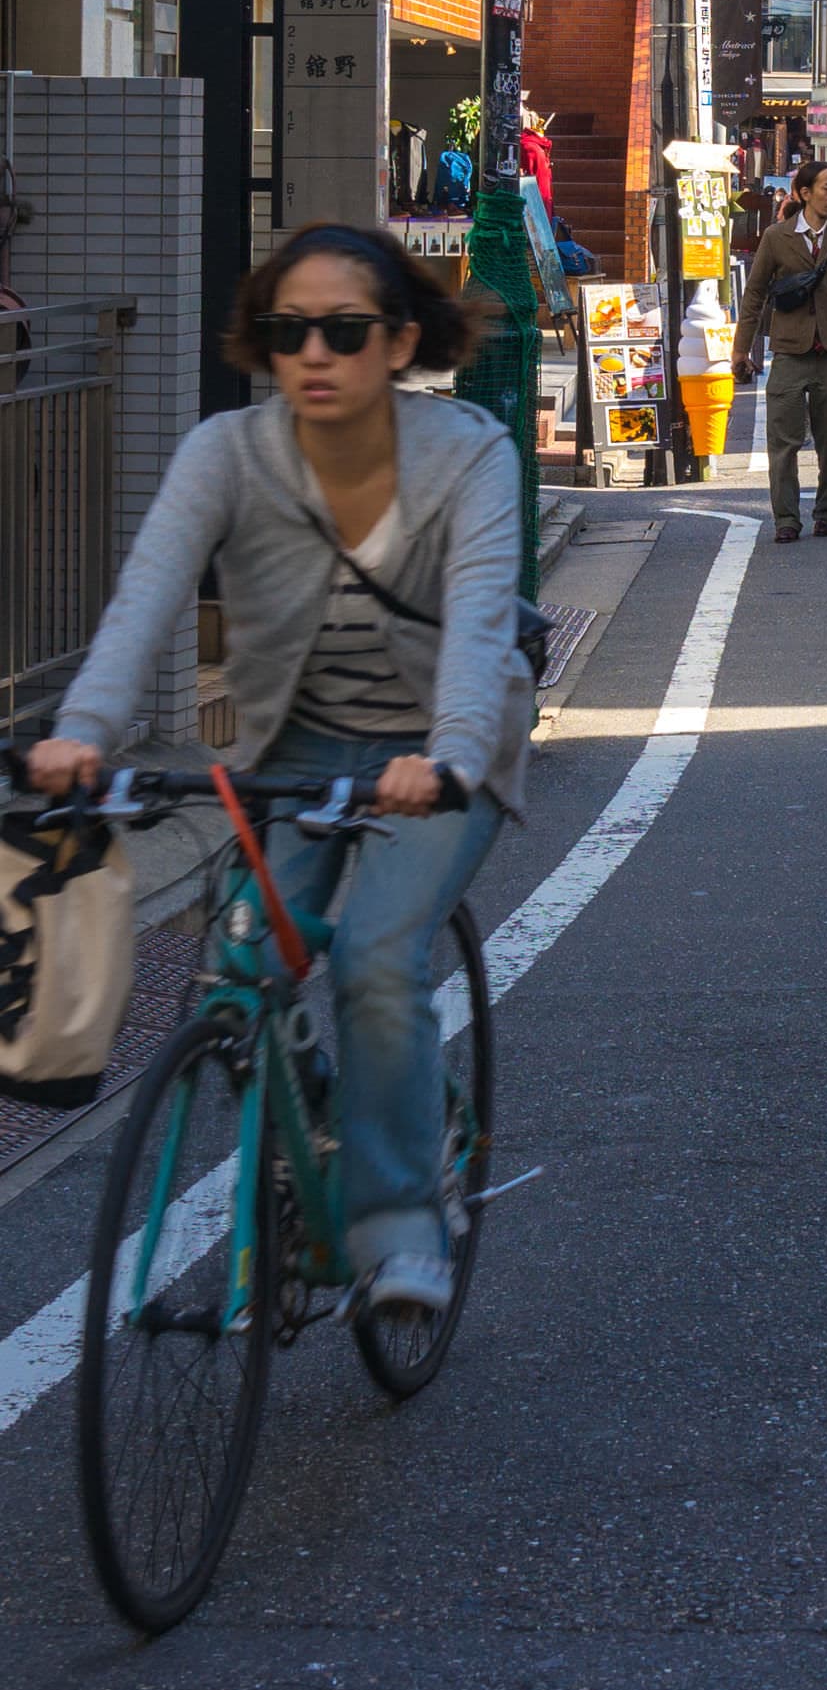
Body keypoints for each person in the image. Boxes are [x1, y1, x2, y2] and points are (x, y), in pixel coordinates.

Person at [30, 221, 529, 1319]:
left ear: (399, 344)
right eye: (287, 330)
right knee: (239, 956)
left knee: (378, 962)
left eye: (343, 331)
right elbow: (145, 596)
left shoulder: (471, 455)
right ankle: (298, 1146)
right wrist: (86, 731)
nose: (313, 353)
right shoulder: (227, 454)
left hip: (436, 752)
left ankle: (401, 1221)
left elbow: (484, 625)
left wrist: (446, 758)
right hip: (294, 751)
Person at [734, 158, 827, 541]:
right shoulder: (776, 237)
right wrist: (741, 350)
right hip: (788, 351)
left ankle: (826, 513)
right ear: (805, 193)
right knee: (783, 445)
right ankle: (786, 519)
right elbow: (753, 296)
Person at [518, 110, 554, 216]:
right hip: (542, 197)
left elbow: (526, 174)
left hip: (536, 199)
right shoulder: (536, 146)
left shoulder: (529, 147)